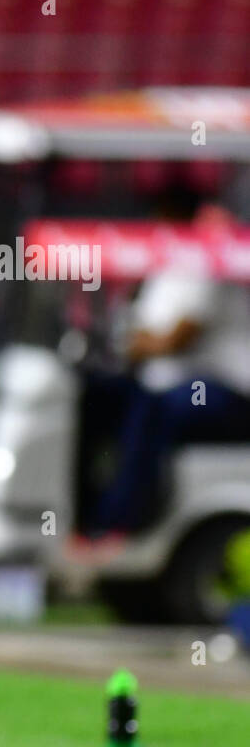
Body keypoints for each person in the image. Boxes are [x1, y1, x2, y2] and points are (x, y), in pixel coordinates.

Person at [78, 202, 250, 537]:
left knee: (154, 409)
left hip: (227, 392)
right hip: (163, 383)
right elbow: (140, 337)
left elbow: (176, 340)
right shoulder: (162, 271)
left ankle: (122, 522)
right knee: (94, 397)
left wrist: (133, 344)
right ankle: (79, 511)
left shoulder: (203, 260)